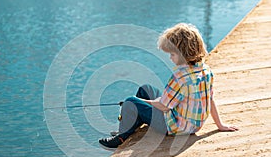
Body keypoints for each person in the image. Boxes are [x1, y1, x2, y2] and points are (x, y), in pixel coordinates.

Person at [99, 23, 238, 150]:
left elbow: (164, 106)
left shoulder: (180, 76)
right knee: (146, 89)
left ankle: (122, 136)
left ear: (183, 53)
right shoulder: (206, 71)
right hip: (194, 125)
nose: (170, 58)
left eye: (172, 54)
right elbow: (210, 99)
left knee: (131, 102)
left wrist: (141, 102)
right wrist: (220, 125)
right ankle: (132, 123)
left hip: (175, 127)